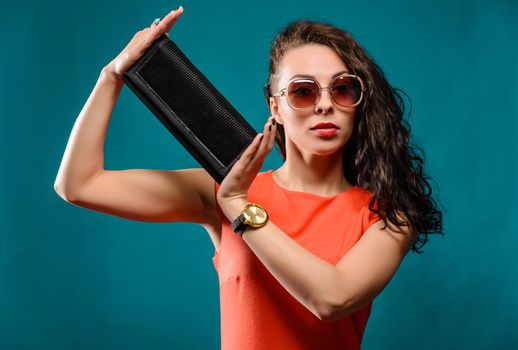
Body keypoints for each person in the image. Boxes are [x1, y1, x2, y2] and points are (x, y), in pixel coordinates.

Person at [54, 6, 443, 349]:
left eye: (342, 89)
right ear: (275, 106)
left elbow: (332, 299)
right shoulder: (223, 189)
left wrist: (240, 207)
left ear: (358, 103)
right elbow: (79, 184)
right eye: (303, 92)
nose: (325, 103)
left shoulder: (388, 215)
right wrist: (112, 76)